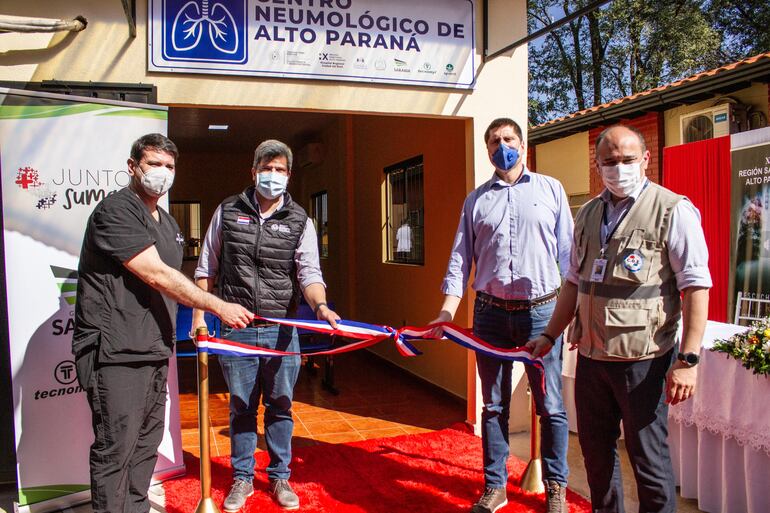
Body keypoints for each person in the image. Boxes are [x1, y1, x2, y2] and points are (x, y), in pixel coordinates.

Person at [526, 125, 711, 513]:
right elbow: (574, 283)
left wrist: (689, 360)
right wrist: (549, 334)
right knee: (597, 457)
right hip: (592, 359)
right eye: (609, 162)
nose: (619, 168)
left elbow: (696, 287)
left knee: (648, 460)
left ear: (646, 159)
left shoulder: (672, 210)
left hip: (643, 360)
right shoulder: (589, 213)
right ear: (597, 165)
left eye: (628, 160)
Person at [72, 133, 253, 513]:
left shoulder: (168, 221)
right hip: (116, 351)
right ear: (133, 167)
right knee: (115, 448)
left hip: (154, 347)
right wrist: (216, 305)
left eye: (170, 166)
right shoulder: (117, 211)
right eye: (154, 164)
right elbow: (156, 274)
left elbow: (172, 276)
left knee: (144, 445)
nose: (162, 173)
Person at [431, 118, 573, 513]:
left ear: (523, 145)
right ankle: (495, 487)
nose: (502, 145)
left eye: (508, 138)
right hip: (490, 315)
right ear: (487, 149)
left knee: (551, 405)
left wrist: (571, 314)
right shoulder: (476, 200)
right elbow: (460, 260)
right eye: (494, 141)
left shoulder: (551, 190)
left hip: (542, 312)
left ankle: (556, 487)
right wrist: (446, 312)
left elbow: (570, 258)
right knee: (492, 406)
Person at [192, 139, 340, 512]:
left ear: (289, 176)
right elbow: (206, 267)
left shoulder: (300, 221)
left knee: (280, 406)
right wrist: (200, 318)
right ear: (253, 171)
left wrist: (320, 306)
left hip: (281, 330)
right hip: (235, 328)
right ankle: (242, 480)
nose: (272, 176)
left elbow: (309, 273)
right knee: (241, 408)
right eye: (266, 168)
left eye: (279, 170)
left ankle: (279, 476)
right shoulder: (227, 211)